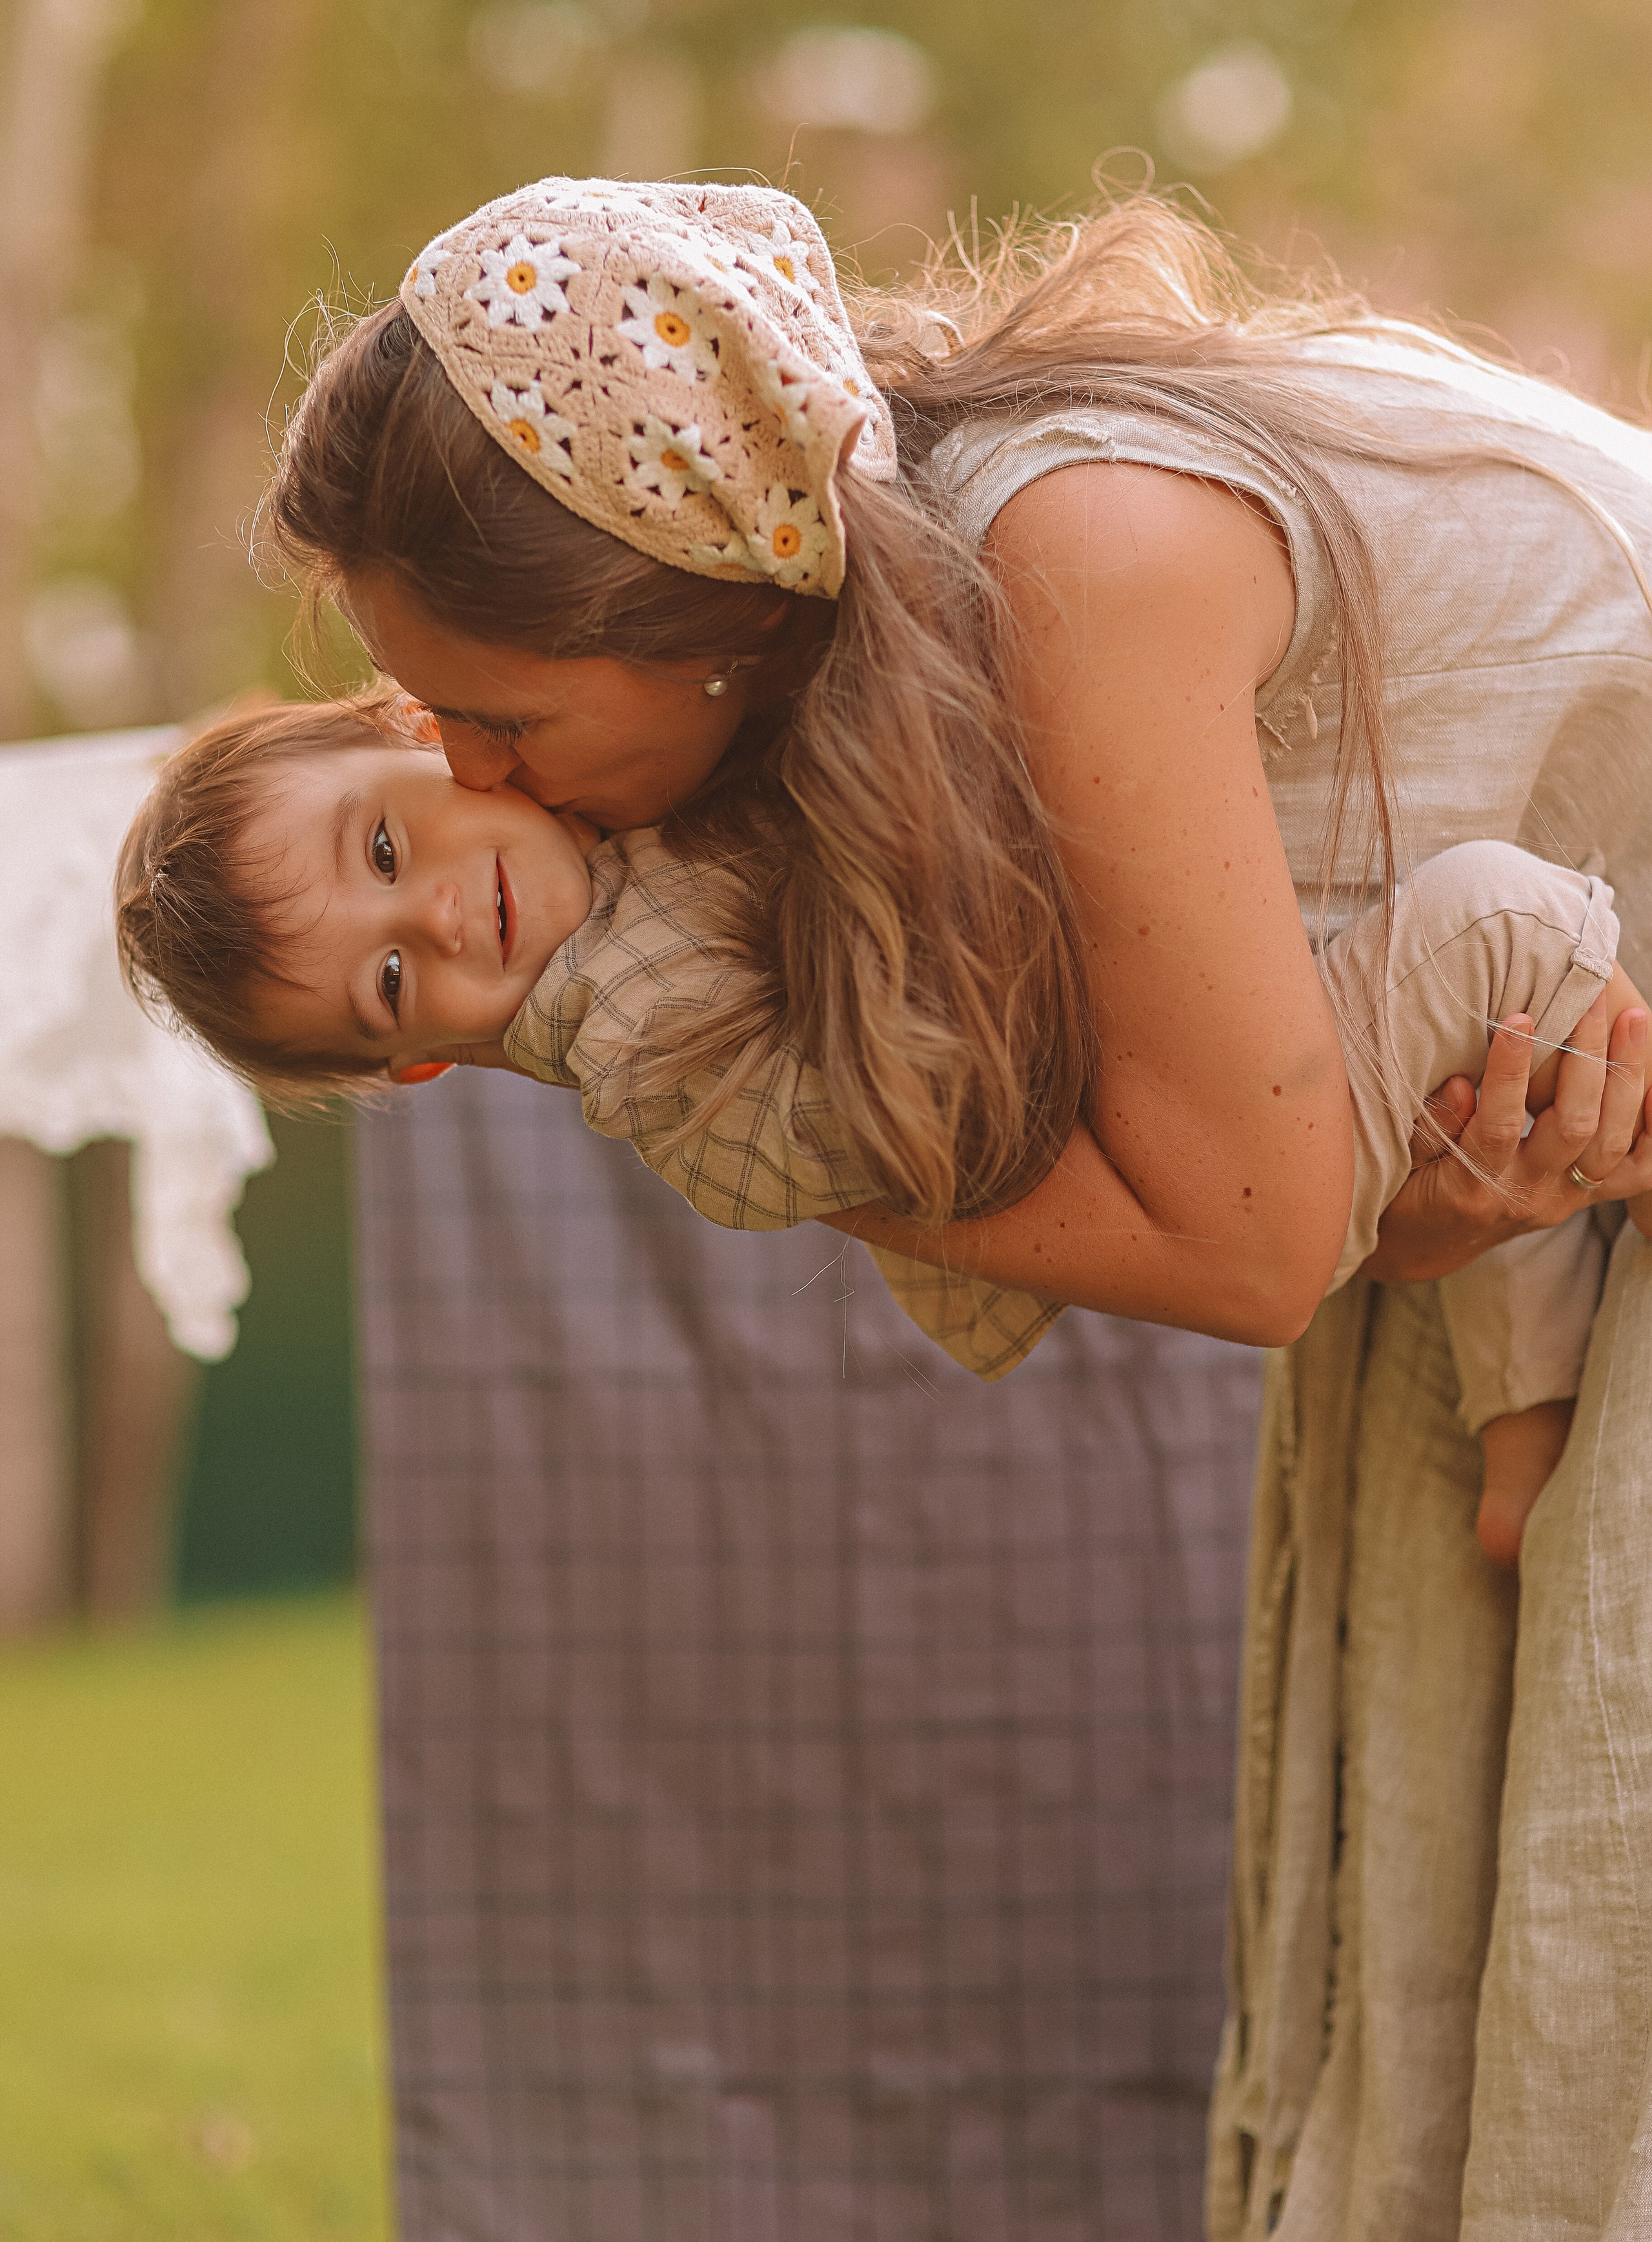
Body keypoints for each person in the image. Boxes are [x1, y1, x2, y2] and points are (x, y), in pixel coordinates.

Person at [243, 174, 1652, 2233]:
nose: (475, 772)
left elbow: (1254, 1245)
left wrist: (699, 1110)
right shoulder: (876, 679)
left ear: (695, 591)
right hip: (1562, 1122)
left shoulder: (1073, 553)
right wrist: (1425, 1206)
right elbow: (1321, 1200)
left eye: (504, 717)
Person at [117, 678, 1639, 1560]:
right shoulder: (655, 1045)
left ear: (421, 722)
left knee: (1469, 1073)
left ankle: (1518, 1422)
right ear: (421, 1063)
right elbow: (885, 1121)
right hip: (1175, 1161)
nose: (443, 916)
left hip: (1187, 1051)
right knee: (1490, 920)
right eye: (391, 980)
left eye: (386, 842)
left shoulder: (633, 791)